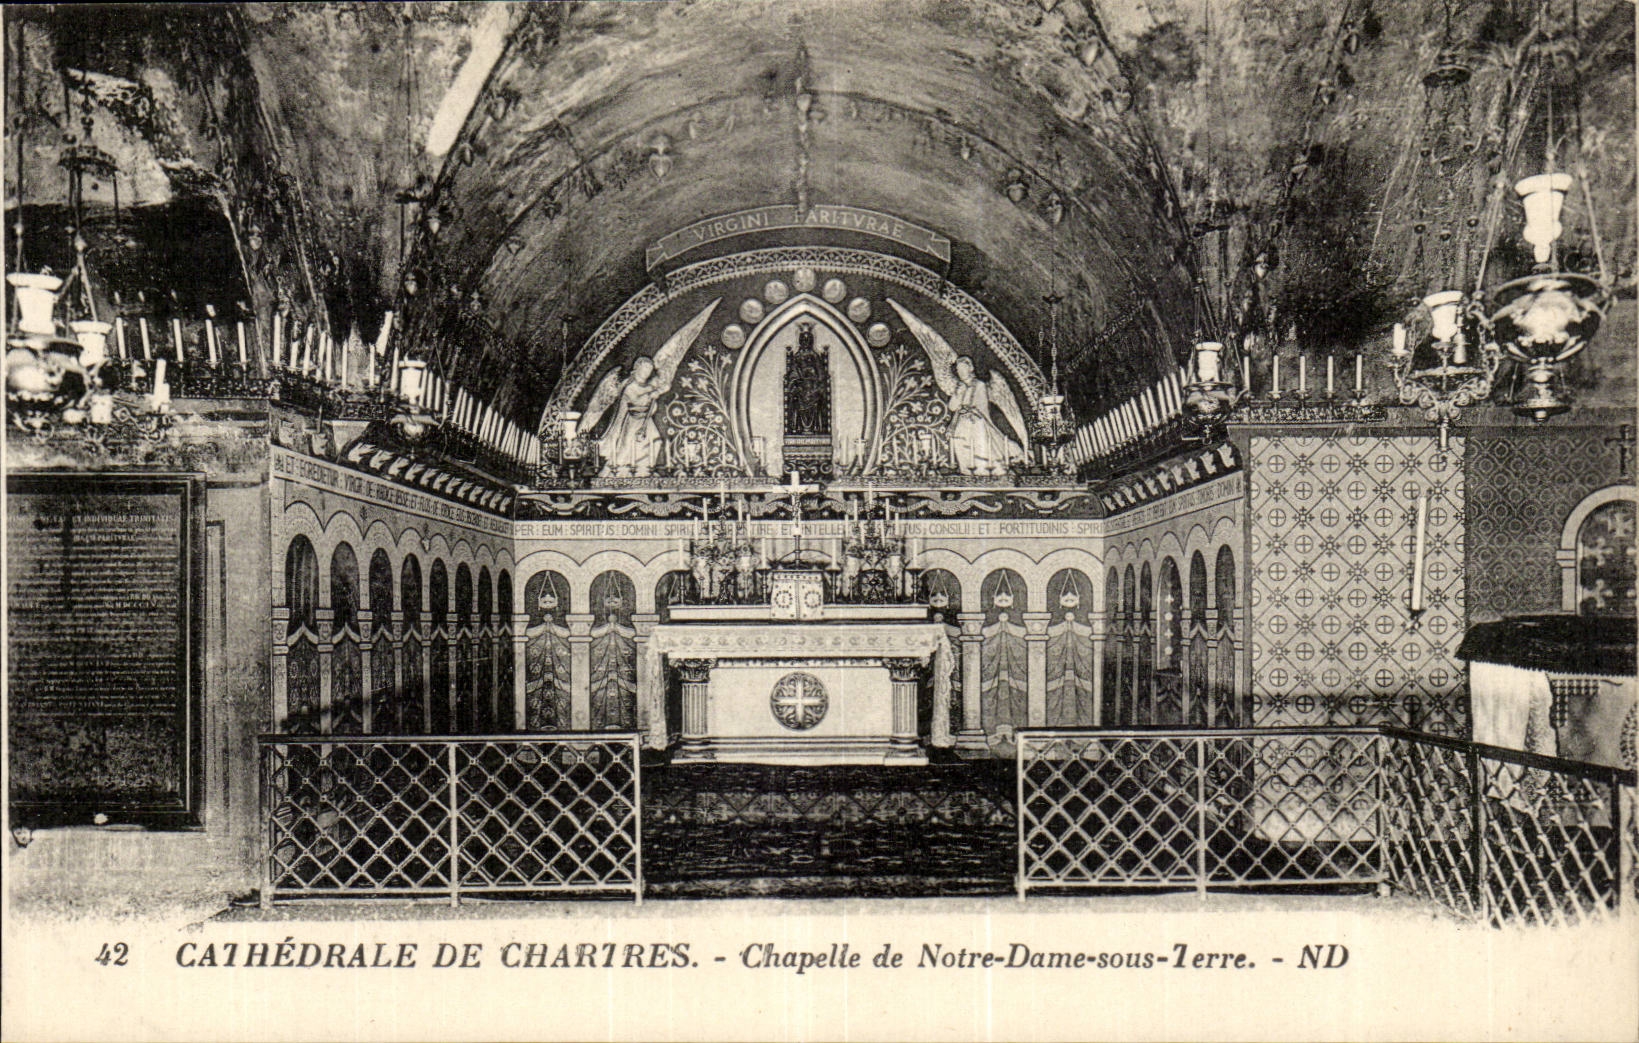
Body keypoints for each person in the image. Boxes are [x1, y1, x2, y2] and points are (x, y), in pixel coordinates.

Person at [947, 357, 1026, 476]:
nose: (961, 372)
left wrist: (968, 409)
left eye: (963, 368)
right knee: (958, 439)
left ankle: (983, 470)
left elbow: (981, 406)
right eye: (958, 370)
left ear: (971, 368)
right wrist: (958, 393)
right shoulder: (960, 387)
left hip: (977, 420)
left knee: (979, 437)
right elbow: (952, 407)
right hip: (962, 421)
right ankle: (967, 471)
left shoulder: (979, 385)